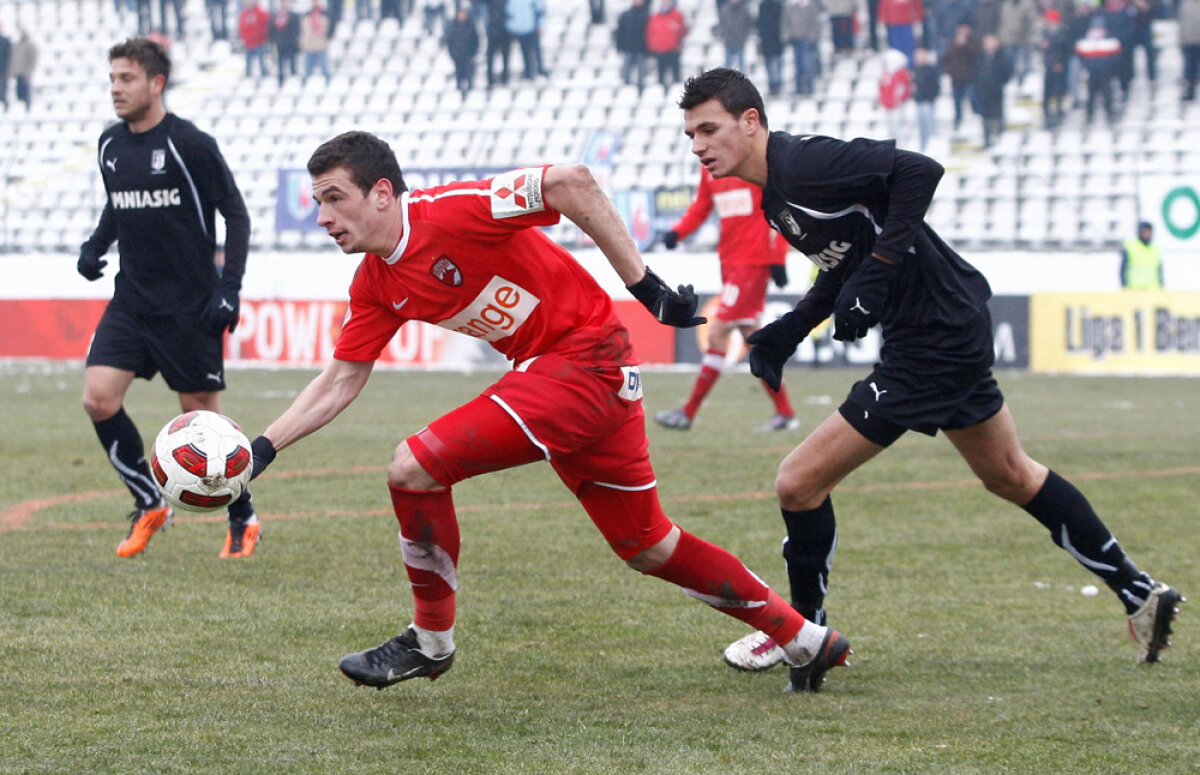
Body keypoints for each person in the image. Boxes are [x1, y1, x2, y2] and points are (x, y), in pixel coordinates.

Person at [244, 130, 851, 692]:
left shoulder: (454, 208)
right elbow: (341, 378)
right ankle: (803, 638)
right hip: (574, 379)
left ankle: (430, 642)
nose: (321, 217)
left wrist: (644, 286)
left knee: (413, 466)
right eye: (316, 202)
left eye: (332, 198)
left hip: (583, 361)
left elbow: (569, 182)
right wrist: (260, 450)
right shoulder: (375, 282)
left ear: (381, 194)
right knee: (648, 546)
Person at [676, 68, 1182, 692]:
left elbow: (920, 168)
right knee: (1011, 475)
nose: (698, 145)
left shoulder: (805, 163)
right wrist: (793, 327)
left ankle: (804, 636)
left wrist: (883, 271)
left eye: (710, 129)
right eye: (691, 133)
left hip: (933, 338)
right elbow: (843, 265)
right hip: (946, 326)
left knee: (798, 482)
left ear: (750, 122)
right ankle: (1140, 593)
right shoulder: (776, 199)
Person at [77, 38, 258, 559]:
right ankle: (148, 503)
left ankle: (243, 518)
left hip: (190, 306)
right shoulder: (110, 144)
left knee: (206, 425)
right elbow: (118, 206)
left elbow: (236, 214)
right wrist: (95, 247)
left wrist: (229, 288)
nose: (116, 88)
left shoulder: (189, 143)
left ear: (156, 84)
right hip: (132, 301)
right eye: (112, 78)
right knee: (97, 398)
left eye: (127, 78)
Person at [653, 166, 798, 433]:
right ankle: (786, 413)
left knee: (718, 332)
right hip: (730, 262)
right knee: (753, 338)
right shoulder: (709, 171)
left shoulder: (751, 164)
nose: (701, 145)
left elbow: (779, 207)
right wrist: (678, 233)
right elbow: (701, 207)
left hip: (753, 262)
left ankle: (687, 414)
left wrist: (778, 257)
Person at [972, 33, 1012, 146]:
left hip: (996, 90)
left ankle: (1000, 138)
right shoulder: (980, 57)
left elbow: (1007, 73)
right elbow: (976, 73)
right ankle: (987, 138)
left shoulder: (1002, 57)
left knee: (998, 115)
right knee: (985, 117)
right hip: (983, 91)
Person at [942, 22, 980, 136]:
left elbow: (976, 56)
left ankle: (977, 118)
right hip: (956, 79)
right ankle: (958, 122)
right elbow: (946, 58)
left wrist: (965, 45)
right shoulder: (952, 41)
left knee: (973, 98)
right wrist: (950, 71)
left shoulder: (974, 41)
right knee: (957, 103)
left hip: (970, 78)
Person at [1040, 8, 1072, 127]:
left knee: (1059, 87)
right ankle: (1046, 108)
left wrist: (1059, 62)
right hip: (1049, 63)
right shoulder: (1045, 32)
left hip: (1059, 63)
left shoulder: (1063, 32)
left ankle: (1058, 106)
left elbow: (1064, 48)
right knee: (1048, 87)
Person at [782, 0, 821, 96]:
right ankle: (799, 87)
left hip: (806, 39)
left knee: (806, 63)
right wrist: (787, 35)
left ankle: (809, 86)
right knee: (797, 64)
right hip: (795, 38)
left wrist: (812, 37)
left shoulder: (811, 6)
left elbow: (815, 22)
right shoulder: (791, 7)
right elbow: (785, 22)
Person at [646, 0, 687, 88]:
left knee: (675, 74)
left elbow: (682, 30)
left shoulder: (676, 15)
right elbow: (650, 32)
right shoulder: (656, 17)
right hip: (660, 50)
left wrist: (678, 43)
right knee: (661, 74)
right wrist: (653, 46)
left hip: (673, 50)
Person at [615, 0, 650, 93]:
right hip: (629, 47)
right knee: (626, 70)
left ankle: (640, 89)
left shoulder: (646, 16)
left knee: (641, 71)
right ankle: (626, 88)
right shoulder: (625, 15)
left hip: (641, 48)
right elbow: (620, 32)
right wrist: (619, 46)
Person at [444, 5, 479, 96]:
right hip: (458, 55)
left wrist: (472, 53)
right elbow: (450, 42)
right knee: (459, 74)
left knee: (469, 73)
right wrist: (453, 54)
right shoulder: (453, 27)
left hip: (468, 55)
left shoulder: (470, 26)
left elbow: (475, 41)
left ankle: (470, 90)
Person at [1120, 221, 1163, 289]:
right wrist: (1124, 286)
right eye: (1145, 231)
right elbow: (1123, 269)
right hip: (1134, 289)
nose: (1147, 234)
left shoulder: (1156, 249)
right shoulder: (1130, 246)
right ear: (1139, 232)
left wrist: (1161, 286)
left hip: (1153, 290)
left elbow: (1159, 271)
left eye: (1149, 232)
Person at [912, 47, 940, 150]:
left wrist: (931, 99)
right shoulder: (915, 70)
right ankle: (923, 147)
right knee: (921, 127)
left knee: (930, 127)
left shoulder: (931, 70)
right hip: (919, 102)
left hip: (928, 102)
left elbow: (936, 86)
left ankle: (932, 147)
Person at [756, 0, 785, 96]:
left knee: (776, 63)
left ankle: (777, 84)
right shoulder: (762, 6)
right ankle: (773, 84)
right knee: (769, 63)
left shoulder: (778, 6)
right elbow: (760, 23)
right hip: (767, 40)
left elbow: (781, 22)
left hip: (776, 39)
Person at [270, 0, 301, 88]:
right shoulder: (275, 16)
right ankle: (281, 83)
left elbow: (297, 30)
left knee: (292, 65)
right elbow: (272, 31)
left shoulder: (294, 16)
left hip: (291, 45)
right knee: (280, 65)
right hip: (280, 45)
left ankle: (295, 83)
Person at [300, 1, 332, 86]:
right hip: (309, 46)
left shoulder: (325, 14)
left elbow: (329, 30)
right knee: (307, 70)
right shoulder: (306, 15)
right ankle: (305, 86)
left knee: (325, 69)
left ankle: (328, 85)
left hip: (321, 46)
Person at [238, 0, 270, 80]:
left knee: (262, 63)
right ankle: (248, 79)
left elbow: (266, 26)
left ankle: (264, 78)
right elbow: (242, 29)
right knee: (248, 65)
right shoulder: (243, 15)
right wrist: (245, 38)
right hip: (248, 44)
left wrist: (262, 37)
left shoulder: (261, 13)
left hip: (259, 43)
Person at [718, 0, 753, 72]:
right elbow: (722, 24)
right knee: (727, 65)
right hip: (729, 41)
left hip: (740, 40)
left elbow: (748, 24)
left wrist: (744, 35)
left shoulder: (744, 9)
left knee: (741, 65)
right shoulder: (724, 9)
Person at [1179, 0, 1200, 102]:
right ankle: (1190, 93)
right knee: (1189, 69)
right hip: (1188, 41)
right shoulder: (1185, 4)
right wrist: (1181, 40)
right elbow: (1182, 23)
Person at [11, 26, 35, 111]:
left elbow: (32, 60)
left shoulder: (29, 45)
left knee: (26, 93)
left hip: (25, 73)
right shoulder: (18, 45)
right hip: (18, 72)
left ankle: (28, 108)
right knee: (19, 93)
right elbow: (14, 59)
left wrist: (28, 72)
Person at [0, 23, 11, 112]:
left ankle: (5, 106)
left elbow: (9, 56)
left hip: (3, 70)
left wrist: (8, 69)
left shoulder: (5, 41)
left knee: (3, 89)